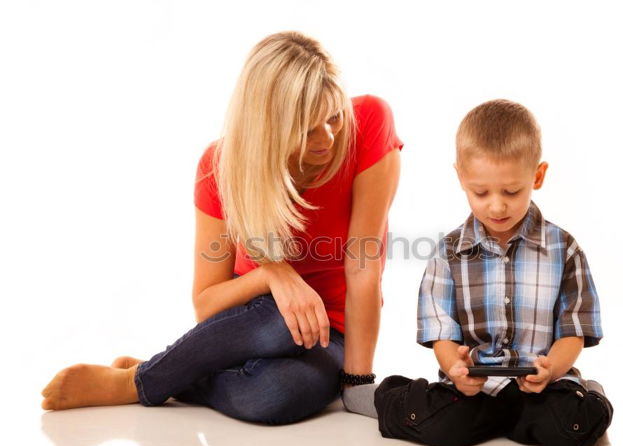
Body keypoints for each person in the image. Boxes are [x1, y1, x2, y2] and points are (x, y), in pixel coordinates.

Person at [40, 31, 403, 425]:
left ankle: (170, 371)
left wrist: (357, 381)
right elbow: (207, 303)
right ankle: (137, 384)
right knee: (279, 323)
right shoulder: (220, 167)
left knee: (274, 394)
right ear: (269, 126)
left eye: (333, 117)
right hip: (259, 323)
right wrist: (273, 275)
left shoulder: (369, 122)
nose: (328, 138)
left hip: (331, 331)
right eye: (306, 128)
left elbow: (364, 266)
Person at [344, 99, 613, 446]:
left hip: (540, 388)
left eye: (512, 191)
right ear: (461, 177)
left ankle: (588, 392)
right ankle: (386, 395)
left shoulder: (564, 249)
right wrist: (454, 367)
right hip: (473, 389)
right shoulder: (448, 253)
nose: (497, 205)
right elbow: (442, 334)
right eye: (481, 192)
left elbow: (574, 332)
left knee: (575, 427)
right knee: (438, 426)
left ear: (538, 175)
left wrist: (552, 369)